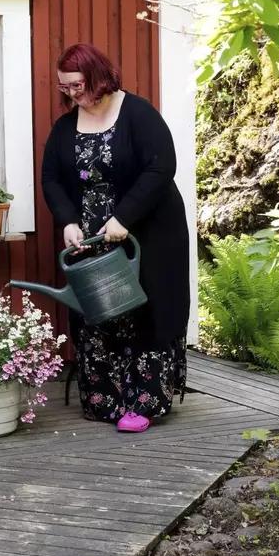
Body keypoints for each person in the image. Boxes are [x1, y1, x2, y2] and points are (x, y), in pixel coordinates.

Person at [41, 43, 190, 433]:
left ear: (97, 78)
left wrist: (124, 216)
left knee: (145, 309)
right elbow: (52, 179)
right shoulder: (65, 127)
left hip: (148, 234)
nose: (70, 94)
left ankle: (145, 402)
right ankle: (103, 400)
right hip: (91, 242)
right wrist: (68, 221)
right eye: (64, 87)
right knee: (98, 313)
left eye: (76, 85)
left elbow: (161, 169)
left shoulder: (138, 114)